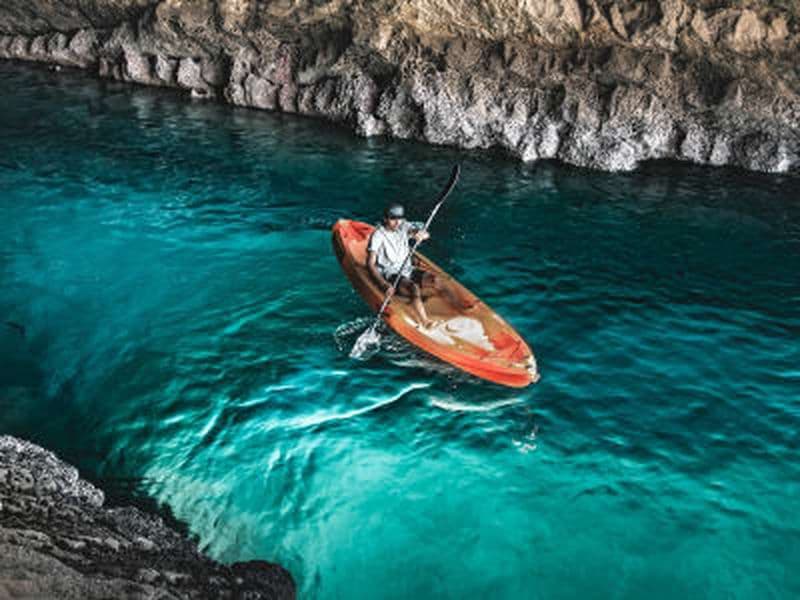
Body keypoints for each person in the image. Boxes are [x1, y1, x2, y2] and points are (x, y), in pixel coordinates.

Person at [366, 203, 439, 328]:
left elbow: (421, 233)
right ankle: (425, 322)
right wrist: (383, 284)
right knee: (413, 288)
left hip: (408, 269)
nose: (397, 222)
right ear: (385, 218)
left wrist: (421, 235)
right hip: (392, 273)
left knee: (434, 280)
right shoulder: (378, 235)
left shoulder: (403, 226)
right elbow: (370, 264)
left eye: (399, 218)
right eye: (392, 219)